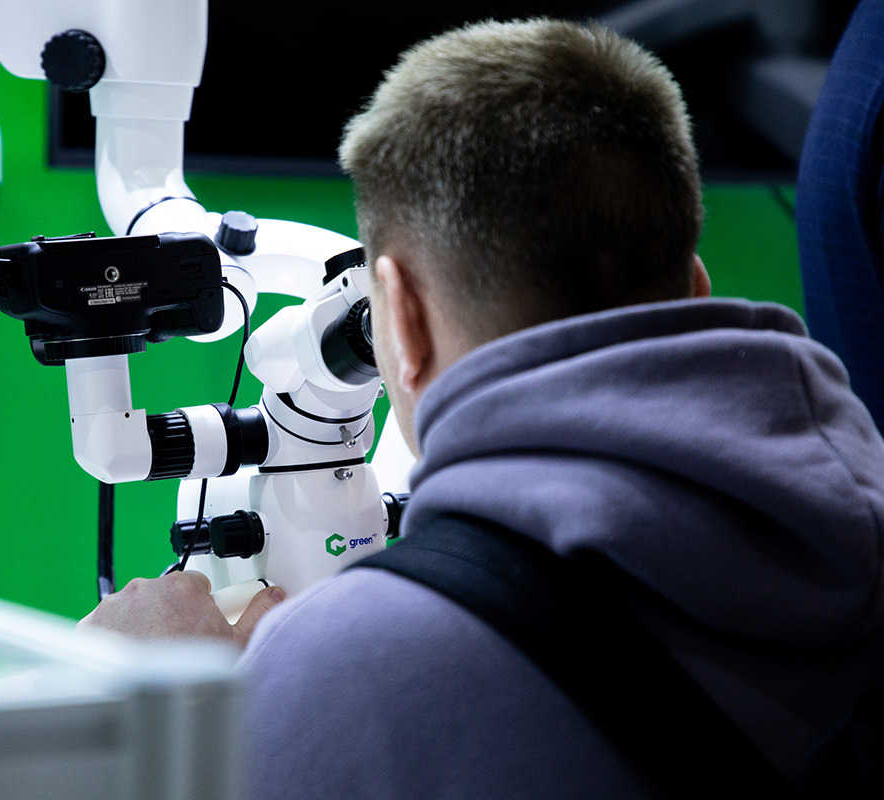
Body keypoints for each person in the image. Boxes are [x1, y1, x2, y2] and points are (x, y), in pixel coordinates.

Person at [82, 18, 884, 798]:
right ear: (696, 286)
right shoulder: (862, 525)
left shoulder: (347, 673)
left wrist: (135, 715)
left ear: (401, 317)